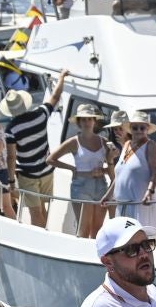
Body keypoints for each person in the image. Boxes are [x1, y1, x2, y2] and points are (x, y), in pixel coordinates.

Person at [1, 70, 69, 228]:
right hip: (47, 171)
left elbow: (11, 157)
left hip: (28, 176)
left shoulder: (11, 129)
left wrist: (11, 181)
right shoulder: (41, 115)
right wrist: (61, 78)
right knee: (42, 210)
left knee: (35, 213)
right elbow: (55, 97)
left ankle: (42, 238)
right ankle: (45, 234)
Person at [48, 102, 116, 239]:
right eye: (83, 119)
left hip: (101, 186)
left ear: (94, 121)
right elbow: (50, 159)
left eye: (89, 119)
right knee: (84, 230)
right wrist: (73, 169)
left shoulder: (104, 141)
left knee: (98, 231)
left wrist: (104, 169)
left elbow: (110, 168)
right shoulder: (74, 142)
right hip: (81, 187)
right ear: (79, 122)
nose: (87, 122)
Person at [111, 112, 156, 210]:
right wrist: (108, 195)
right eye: (135, 128)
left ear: (147, 130)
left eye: (142, 128)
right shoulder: (126, 144)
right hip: (122, 203)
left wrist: (150, 192)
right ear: (130, 129)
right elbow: (119, 175)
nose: (139, 130)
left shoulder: (151, 145)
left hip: (141, 203)